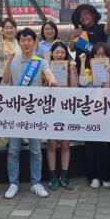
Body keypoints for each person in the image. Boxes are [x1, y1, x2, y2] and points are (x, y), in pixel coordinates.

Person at [1, 27, 58, 199]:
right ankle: (13, 183)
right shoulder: (14, 60)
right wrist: (8, 62)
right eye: (23, 40)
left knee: (36, 150)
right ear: (19, 42)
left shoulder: (40, 62)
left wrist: (52, 79)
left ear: (34, 42)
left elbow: (48, 73)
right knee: (13, 150)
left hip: (35, 112)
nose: (26, 43)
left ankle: (36, 183)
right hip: (16, 111)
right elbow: (5, 81)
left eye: (29, 40)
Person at [78, 42, 110, 188]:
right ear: (92, 56)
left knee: (105, 147)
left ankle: (105, 176)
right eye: (97, 54)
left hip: (106, 115)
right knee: (91, 147)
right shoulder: (88, 71)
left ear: (108, 56)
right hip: (91, 115)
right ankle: (92, 176)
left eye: (103, 54)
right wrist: (82, 62)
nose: (100, 57)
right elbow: (82, 82)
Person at [46, 41, 78, 191]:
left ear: (66, 54)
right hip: (50, 109)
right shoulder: (46, 68)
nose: (59, 55)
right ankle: (52, 176)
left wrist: (72, 70)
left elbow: (75, 87)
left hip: (65, 109)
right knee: (51, 145)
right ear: (52, 54)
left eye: (62, 52)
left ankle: (64, 175)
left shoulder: (70, 67)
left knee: (65, 144)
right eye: (57, 52)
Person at [68, 0, 110, 70]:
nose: (83, 17)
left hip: (98, 68)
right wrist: (74, 36)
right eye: (80, 16)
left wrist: (108, 8)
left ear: (93, 15)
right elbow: (71, 49)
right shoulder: (78, 31)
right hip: (80, 69)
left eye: (85, 14)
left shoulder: (100, 27)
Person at [0, 17, 21, 85]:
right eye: (6, 28)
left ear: (15, 29)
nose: (9, 30)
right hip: (2, 76)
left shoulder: (21, 44)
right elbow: (0, 54)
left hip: (17, 76)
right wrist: (0, 35)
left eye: (11, 27)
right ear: (2, 29)